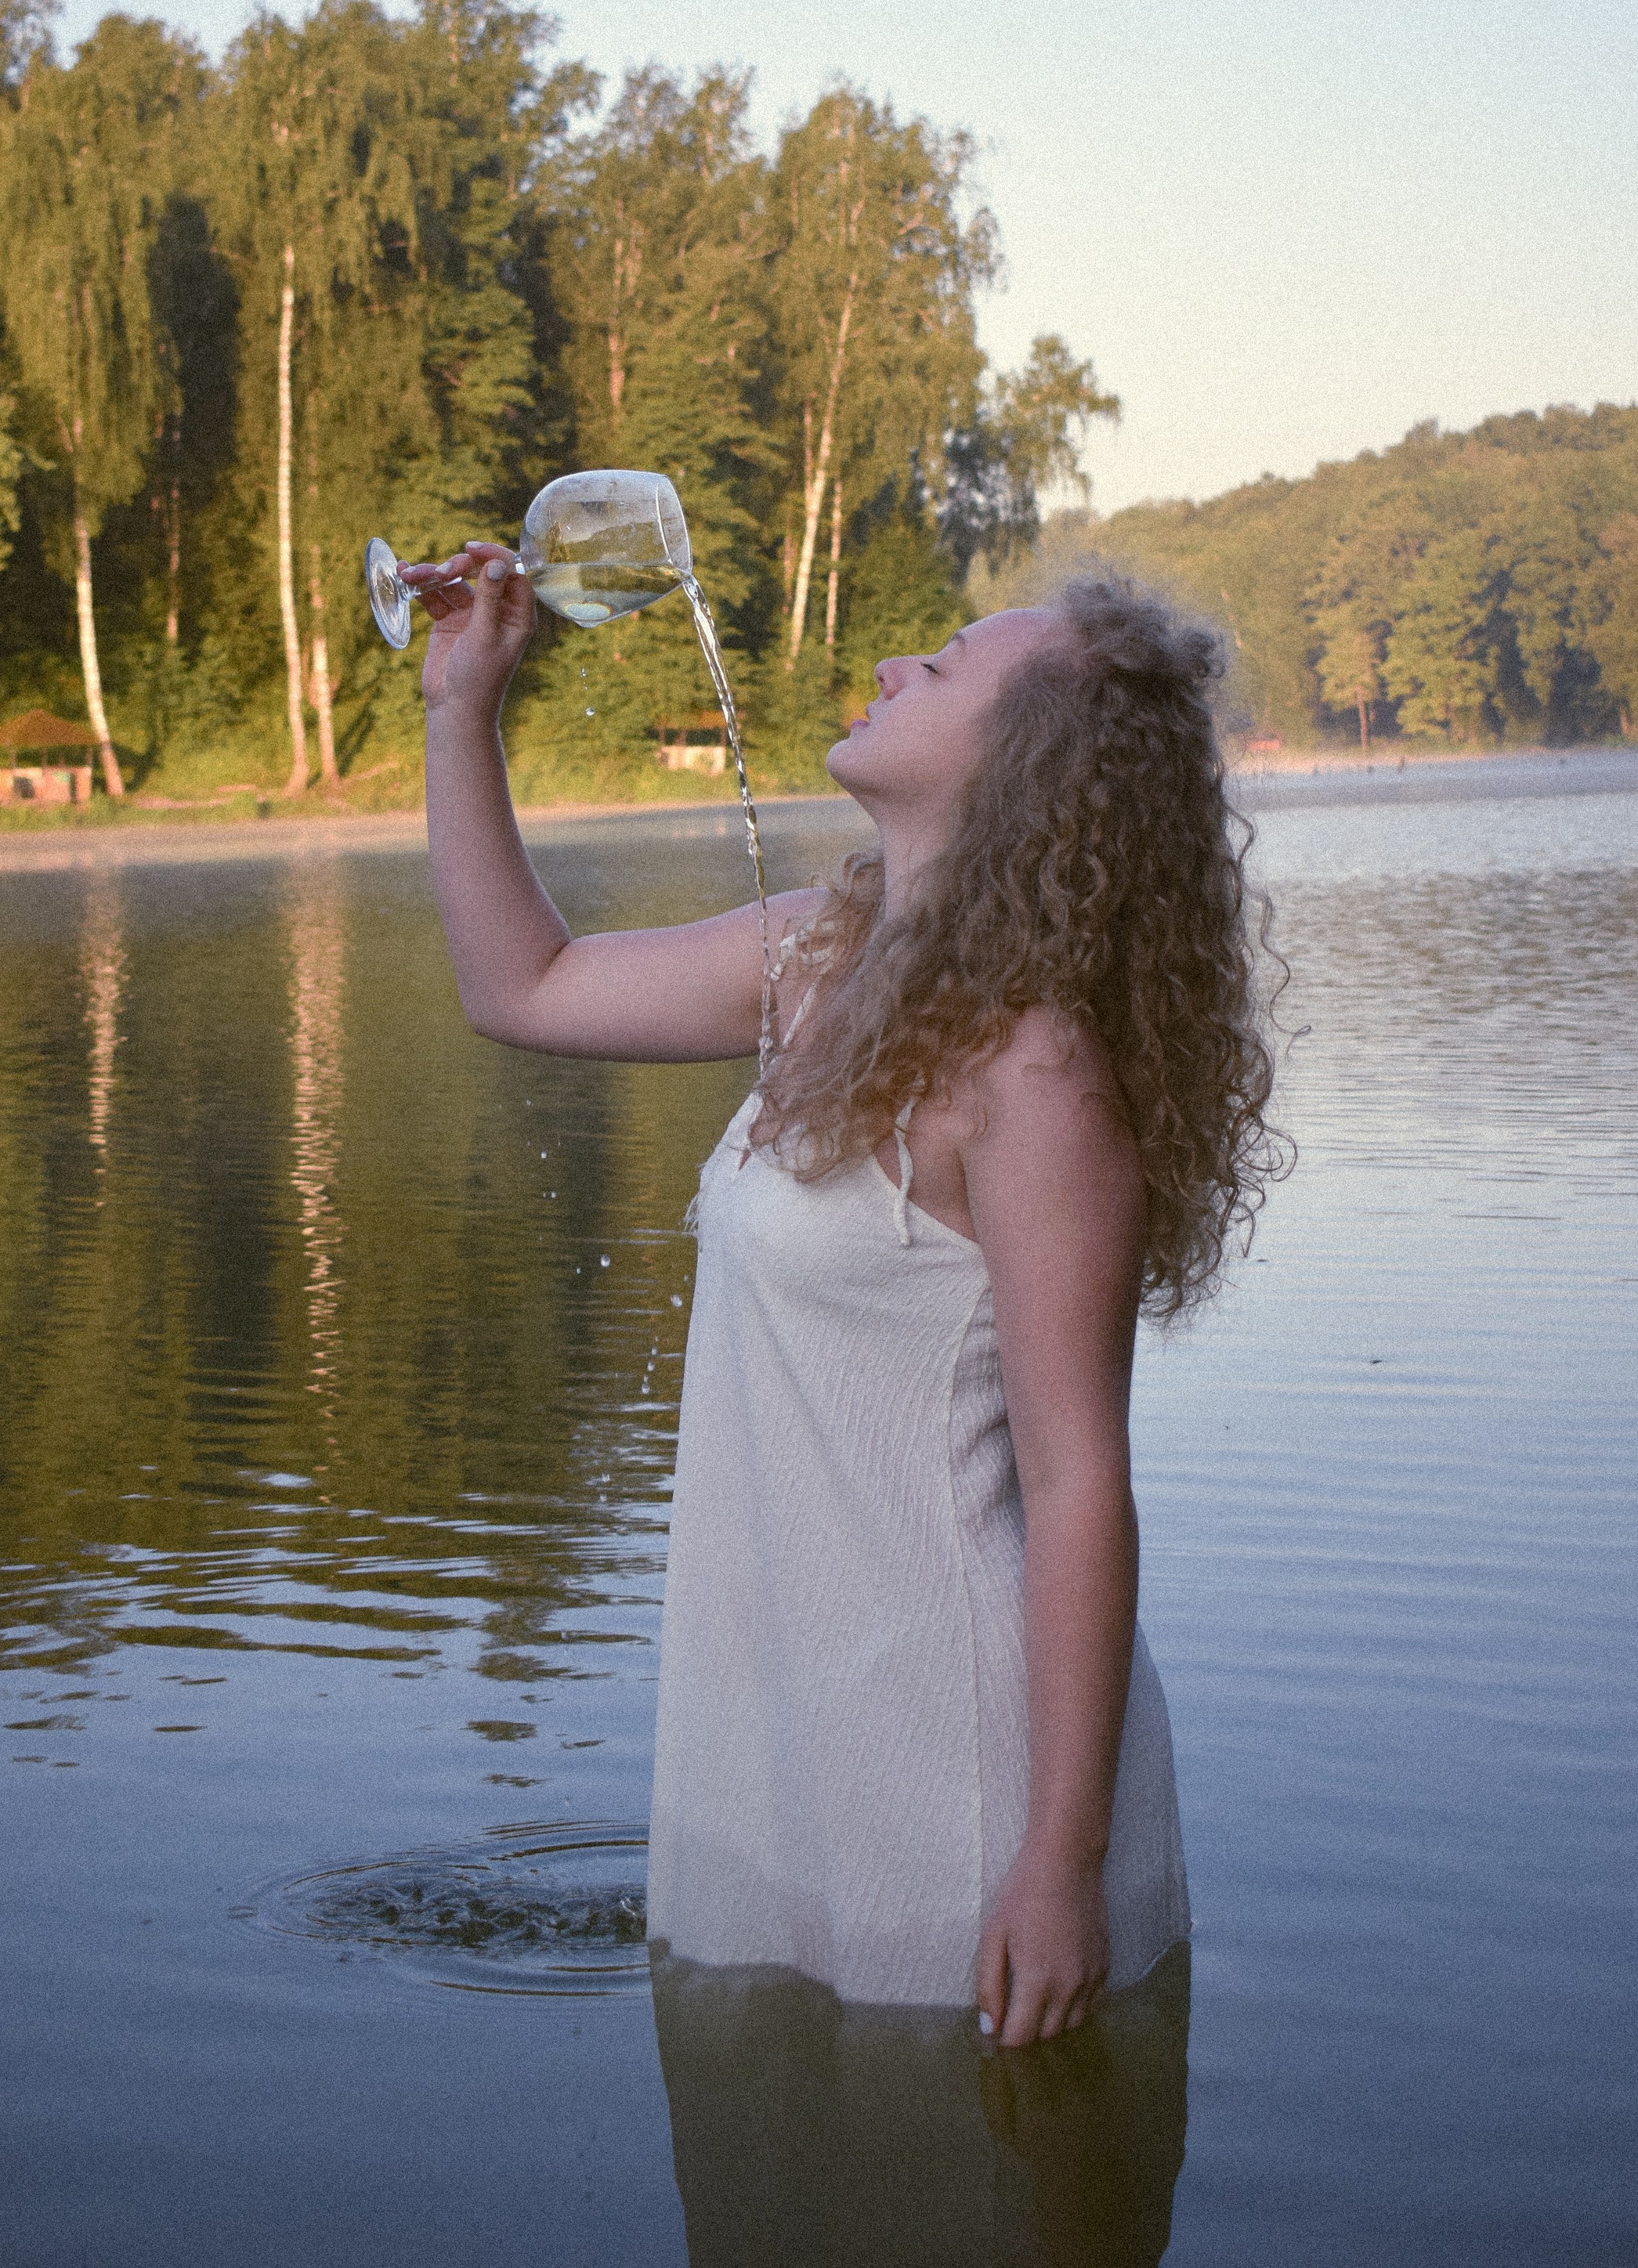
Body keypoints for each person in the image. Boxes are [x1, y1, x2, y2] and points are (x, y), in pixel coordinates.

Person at [410, 544, 1279, 2050]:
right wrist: (459, 710)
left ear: (1029, 763)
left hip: (966, 1777)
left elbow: (1080, 1483)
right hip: (795, 1735)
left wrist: (1060, 1862)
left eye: (938, 668)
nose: (890, 668)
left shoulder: (1034, 1072)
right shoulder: (821, 958)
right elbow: (523, 988)